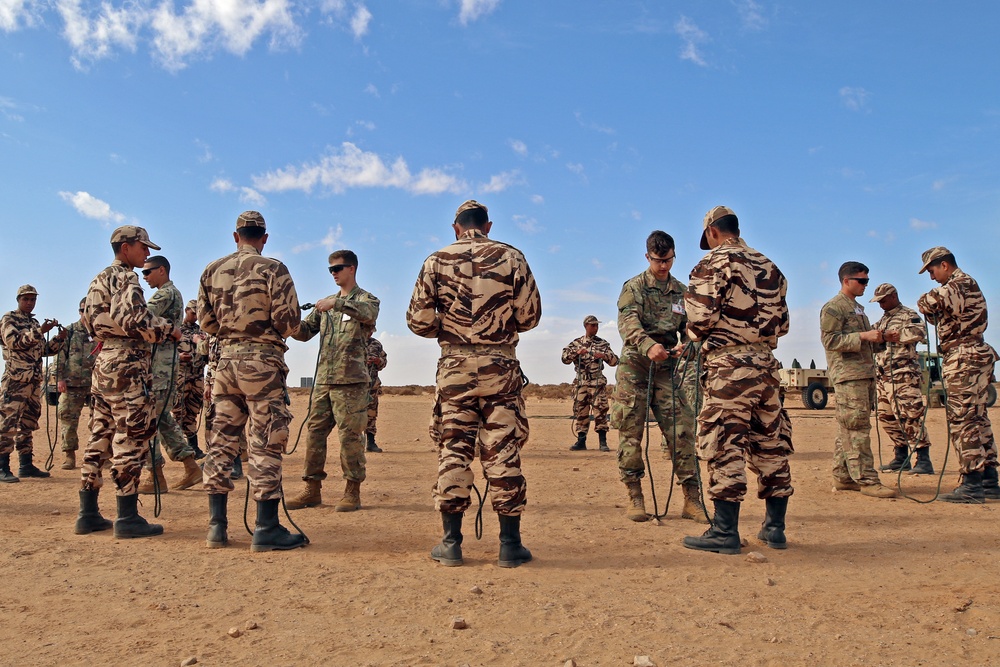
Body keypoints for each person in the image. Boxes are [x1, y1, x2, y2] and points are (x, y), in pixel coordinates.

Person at [406, 199, 541, 568]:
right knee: (503, 450)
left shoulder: (436, 261)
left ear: (456, 228)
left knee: (454, 448)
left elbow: (417, 321)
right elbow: (530, 316)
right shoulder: (512, 257)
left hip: (455, 367)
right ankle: (510, 545)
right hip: (500, 364)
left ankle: (451, 543)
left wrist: (448, 329)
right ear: (489, 225)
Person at [680, 206, 794, 555]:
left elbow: (699, 320)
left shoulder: (712, 264)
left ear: (712, 232)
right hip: (767, 366)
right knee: (770, 442)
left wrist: (691, 335)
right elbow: (783, 325)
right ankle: (774, 528)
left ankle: (725, 531)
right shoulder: (771, 266)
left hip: (729, 368)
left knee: (724, 443)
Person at [197, 210, 306, 551]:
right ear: (265, 237)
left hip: (224, 364)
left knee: (221, 441)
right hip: (261, 364)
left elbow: (206, 322)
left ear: (235, 236)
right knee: (265, 441)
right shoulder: (274, 269)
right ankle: (266, 527)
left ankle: (217, 527)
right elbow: (289, 323)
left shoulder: (211, 270)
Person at [75, 226, 179, 539]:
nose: (146, 253)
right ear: (125, 247)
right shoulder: (126, 278)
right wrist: (167, 330)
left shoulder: (98, 279)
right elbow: (136, 320)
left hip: (103, 363)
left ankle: (88, 513)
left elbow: (88, 320)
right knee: (131, 437)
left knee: (100, 435)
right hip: (128, 367)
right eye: (142, 247)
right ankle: (127, 516)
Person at [611, 230, 706, 524]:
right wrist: (648, 345)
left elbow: (692, 328)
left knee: (682, 431)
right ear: (647, 257)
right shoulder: (634, 287)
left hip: (667, 369)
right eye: (657, 260)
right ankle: (635, 497)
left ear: (674, 255)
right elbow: (627, 322)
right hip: (635, 367)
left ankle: (692, 500)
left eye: (667, 260)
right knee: (631, 431)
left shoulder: (681, 291)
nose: (663, 266)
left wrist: (687, 346)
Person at [286, 250, 380, 512]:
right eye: (330, 269)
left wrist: (336, 304)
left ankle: (352, 491)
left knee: (349, 437)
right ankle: (311, 489)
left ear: (352, 269)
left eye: (338, 268)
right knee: (315, 434)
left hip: (351, 382)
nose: (334, 273)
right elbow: (304, 333)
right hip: (324, 381)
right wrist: (288, 322)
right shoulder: (324, 305)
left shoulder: (366, 299)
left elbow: (368, 314)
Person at [917, 247, 1000, 502]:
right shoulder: (964, 286)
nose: (931, 277)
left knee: (963, 420)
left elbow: (926, 303)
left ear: (943, 265)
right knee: (977, 418)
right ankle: (988, 480)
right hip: (973, 353)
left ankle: (972, 484)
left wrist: (927, 302)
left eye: (931, 271)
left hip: (964, 356)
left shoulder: (958, 284)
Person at [819, 261, 898, 498]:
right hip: (849, 376)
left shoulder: (858, 308)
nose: (865, 285)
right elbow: (830, 341)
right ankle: (868, 480)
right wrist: (863, 335)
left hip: (863, 374)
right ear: (846, 281)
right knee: (857, 429)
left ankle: (843, 477)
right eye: (861, 281)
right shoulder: (834, 307)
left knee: (849, 427)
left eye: (867, 281)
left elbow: (862, 343)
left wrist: (881, 338)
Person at [139, 255, 202, 492]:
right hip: (162, 365)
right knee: (162, 419)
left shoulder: (165, 293)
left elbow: (140, 317)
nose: (144, 277)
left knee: (148, 420)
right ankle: (190, 466)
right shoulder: (170, 293)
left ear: (162, 270)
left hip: (158, 367)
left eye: (147, 272)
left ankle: (154, 476)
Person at [0, 285, 65, 482]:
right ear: (18, 299)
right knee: (7, 424)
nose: (29, 303)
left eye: (32, 299)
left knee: (27, 423)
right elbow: (15, 342)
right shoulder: (9, 319)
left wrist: (57, 339)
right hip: (15, 382)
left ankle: (25, 465)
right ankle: (2, 466)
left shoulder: (33, 322)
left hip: (33, 383)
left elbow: (43, 351)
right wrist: (39, 331)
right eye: (26, 299)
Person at [870, 283, 934, 475]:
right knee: (886, 416)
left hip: (903, 374)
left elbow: (919, 332)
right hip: (884, 375)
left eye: (883, 300)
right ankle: (901, 457)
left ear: (894, 296)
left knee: (910, 416)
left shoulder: (908, 314)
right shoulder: (883, 319)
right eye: (878, 301)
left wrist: (895, 336)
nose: (881, 304)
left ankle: (923, 459)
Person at [561, 315, 619, 452]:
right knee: (581, 411)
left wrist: (604, 356)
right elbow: (564, 359)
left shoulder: (603, 344)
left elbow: (615, 361)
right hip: (581, 382)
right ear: (586, 326)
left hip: (597, 382)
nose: (595, 328)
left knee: (601, 410)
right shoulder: (576, 343)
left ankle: (603, 442)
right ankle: (581, 441)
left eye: (597, 325)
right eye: (593, 325)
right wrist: (576, 353)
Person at [55, 298, 96, 470]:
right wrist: (59, 378)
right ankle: (69, 455)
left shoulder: (101, 333)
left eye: (89, 310)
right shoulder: (70, 331)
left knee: (101, 421)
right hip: (72, 383)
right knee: (68, 419)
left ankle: (99, 455)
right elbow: (60, 356)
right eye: (82, 310)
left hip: (96, 384)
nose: (85, 313)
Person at [173, 300, 208, 459]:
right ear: (186, 310)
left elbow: (208, 354)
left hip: (197, 377)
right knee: (179, 411)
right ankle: (180, 448)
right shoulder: (175, 330)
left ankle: (193, 447)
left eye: (197, 314)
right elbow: (165, 352)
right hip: (181, 377)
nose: (195, 317)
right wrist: (177, 357)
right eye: (193, 313)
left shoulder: (201, 332)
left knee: (193, 411)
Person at [364, 332, 388, 453]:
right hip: (354, 387)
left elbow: (384, 362)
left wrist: (378, 361)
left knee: (371, 414)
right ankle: (353, 444)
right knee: (352, 416)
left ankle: (371, 443)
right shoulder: (352, 341)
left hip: (372, 386)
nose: (370, 331)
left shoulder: (376, 344)